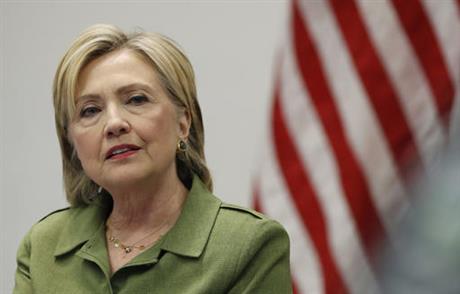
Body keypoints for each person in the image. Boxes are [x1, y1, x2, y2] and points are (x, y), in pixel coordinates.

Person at [13, 24, 292, 293]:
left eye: (136, 99)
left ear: (183, 123)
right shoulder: (43, 246)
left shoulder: (249, 245)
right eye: (89, 111)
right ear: (72, 143)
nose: (114, 123)